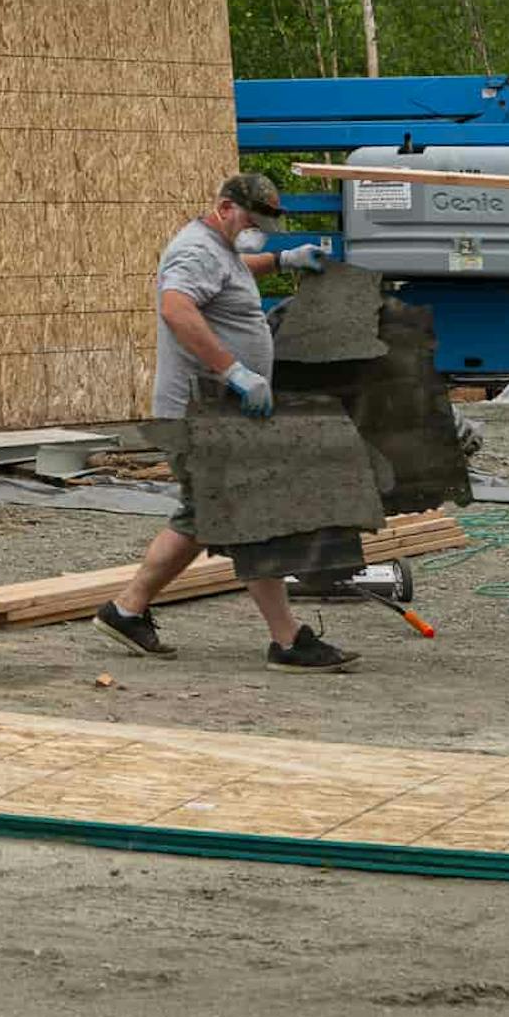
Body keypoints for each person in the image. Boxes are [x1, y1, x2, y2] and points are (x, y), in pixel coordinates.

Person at [95, 170, 359, 670]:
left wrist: (282, 259)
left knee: (205, 517)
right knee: (246, 516)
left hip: (219, 411)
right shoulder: (194, 249)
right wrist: (233, 370)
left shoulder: (219, 248)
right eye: (250, 220)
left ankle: (126, 610)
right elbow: (177, 308)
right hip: (203, 410)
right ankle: (287, 640)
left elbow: (231, 270)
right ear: (223, 208)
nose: (254, 229)